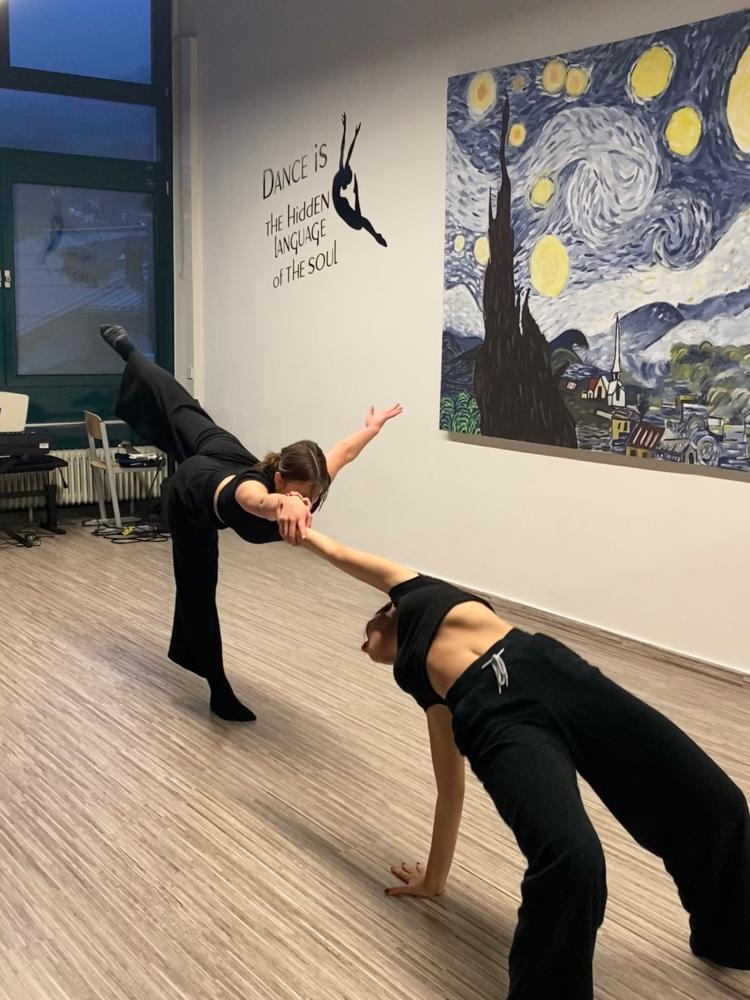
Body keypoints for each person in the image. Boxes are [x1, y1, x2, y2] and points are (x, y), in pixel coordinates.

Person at [300, 527, 750, 999]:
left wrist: (295, 526)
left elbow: (337, 551)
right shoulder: (429, 691)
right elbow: (450, 792)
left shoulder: (413, 590)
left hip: (558, 673)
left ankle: (731, 937)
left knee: (717, 801)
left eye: (363, 639)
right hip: (500, 720)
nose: (364, 649)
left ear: (384, 614)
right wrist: (433, 880)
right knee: (572, 860)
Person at [100, 324, 401, 722]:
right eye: (300, 495)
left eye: (313, 496)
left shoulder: (311, 479)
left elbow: (343, 452)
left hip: (224, 454)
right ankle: (218, 689)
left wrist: (371, 429)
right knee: (197, 589)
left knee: (183, 408)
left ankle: (129, 351)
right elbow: (256, 501)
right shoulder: (251, 493)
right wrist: (282, 504)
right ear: (279, 480)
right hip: (196, 491)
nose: (308, 503)